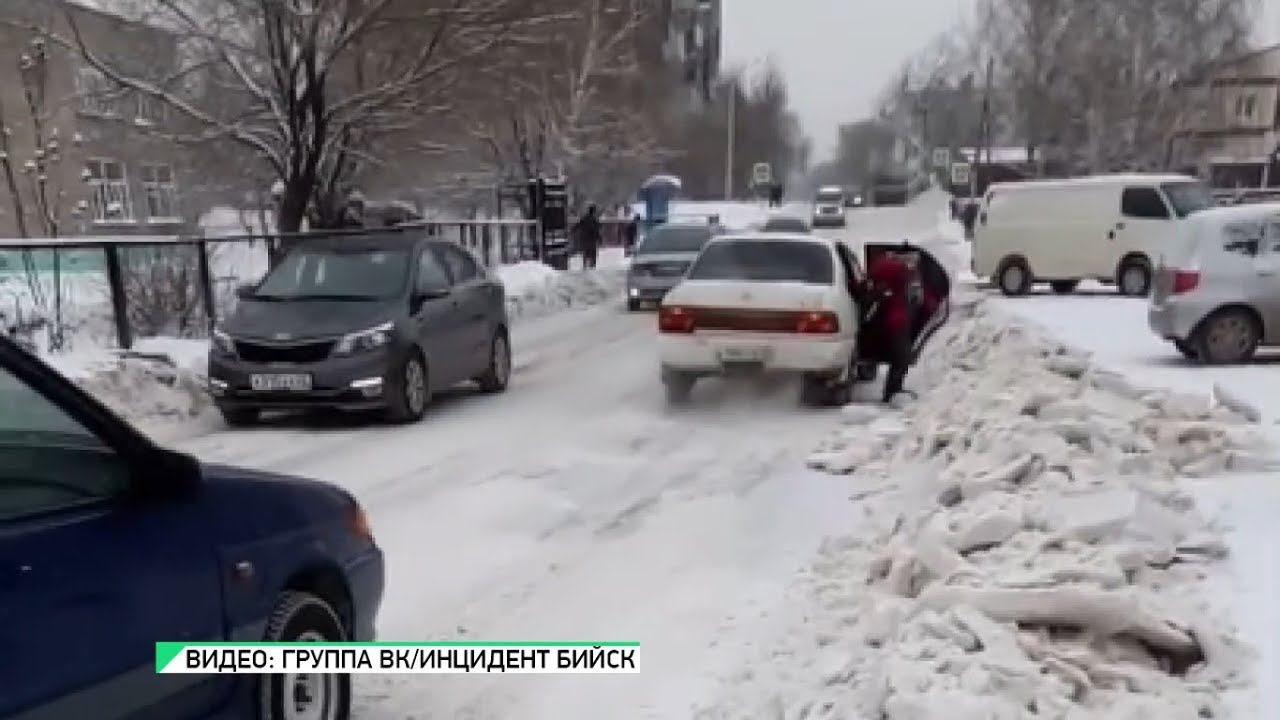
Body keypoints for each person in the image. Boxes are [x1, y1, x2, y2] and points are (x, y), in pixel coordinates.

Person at [867, 249, 914, 404]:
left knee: (899, 358)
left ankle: (892, 391)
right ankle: (892, 392)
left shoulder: (880, 275)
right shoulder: (896, 271)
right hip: (897, 321)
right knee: (901, 359)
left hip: (891, 320)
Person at [574, 204, 602, 269]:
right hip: (592, 239)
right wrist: (599, 238)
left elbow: (578, 225)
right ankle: (592, 265)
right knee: (593, 252)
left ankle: (585, 264)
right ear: (594, 211)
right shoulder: (595, 219)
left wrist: (573, 230)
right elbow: (597, 229)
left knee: (586, 251)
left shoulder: (585, 218)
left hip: (585, 238)